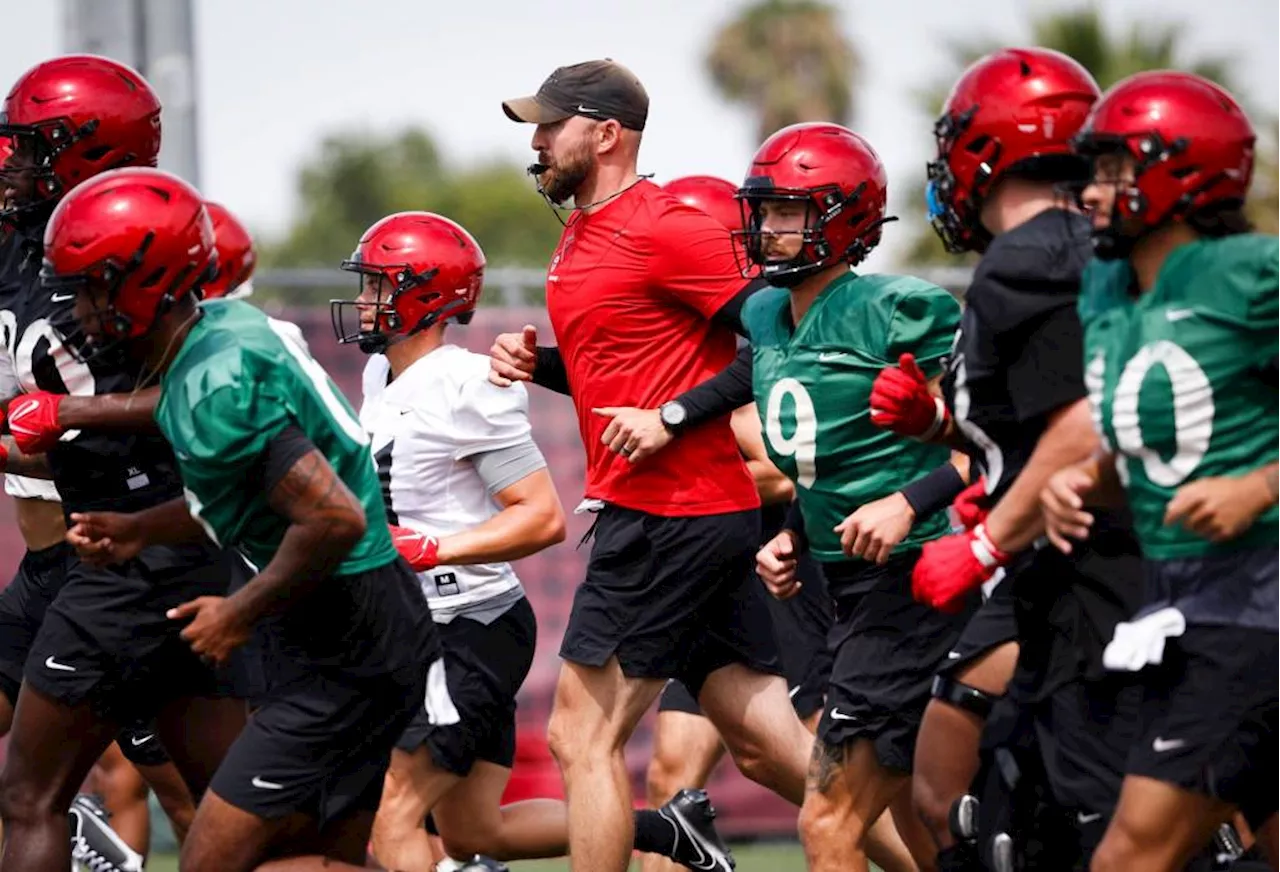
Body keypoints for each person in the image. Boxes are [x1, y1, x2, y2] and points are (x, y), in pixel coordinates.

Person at [55, 167, 440, 872]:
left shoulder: (214, 383)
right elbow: (254, 497)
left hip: (349, 635)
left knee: (213, 861)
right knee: (324, 856)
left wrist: (238, 612)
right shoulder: (217, 331)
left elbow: (333, 520)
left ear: (147, 282)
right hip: (353, 622)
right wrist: (140, 529)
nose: (80, 310)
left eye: (92, 286)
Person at [493, 59, 818, 872]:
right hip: (689, 515)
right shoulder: (581, 232)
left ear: (605, 134)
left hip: (669, 515)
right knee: (770, 748)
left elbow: (784, 341)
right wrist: (542, 367)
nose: (535, 142)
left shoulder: (667, 224)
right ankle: (941, 848)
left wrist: (674, 419)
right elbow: (628, 375)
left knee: (580, 736)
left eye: (549, 124)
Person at [870, 47, 1146, 870]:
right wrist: (944, 427)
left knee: (1102, 827)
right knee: (998, 800)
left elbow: (1087, 421)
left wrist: (986, 541)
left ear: (988, 147)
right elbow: (1042, 421)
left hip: (1093, 574)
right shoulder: (1072, 253)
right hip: (1073, 571)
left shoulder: (1031, 260)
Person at [0, 55, 246, 872]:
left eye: (37, 146)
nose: (18, 164)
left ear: (89, 152)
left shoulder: (119, 250)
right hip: (87, 550)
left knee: (38, 797)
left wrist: (63, 413)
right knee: (228, 810)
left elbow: (195, 392)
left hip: (140, 546)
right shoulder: (26, 246)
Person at [1040, 71, 1280, 872]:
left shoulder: (1248, 273)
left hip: (1255, 600)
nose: (1094, 189)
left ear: (1182, 170)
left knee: (1128, 858)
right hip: (1180, 597)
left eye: (1113, 168)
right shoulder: (1109, 290)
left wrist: (1262, 485)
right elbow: (1152, 443)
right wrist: (1085, 481)